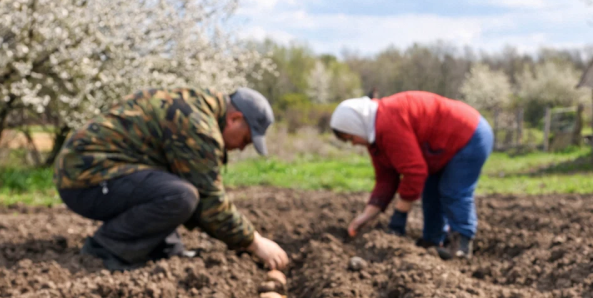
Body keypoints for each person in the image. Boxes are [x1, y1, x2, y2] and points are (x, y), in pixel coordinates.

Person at [53, 87, 289, 271]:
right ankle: (104, 250)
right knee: (181, 195)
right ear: (234, 119)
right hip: (84, 179)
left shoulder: (194, 105)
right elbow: (209, 201)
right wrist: (255, 242)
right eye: (246, 139)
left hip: (95, 173)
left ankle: (164, 249)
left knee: (177, 189)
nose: (240, 148)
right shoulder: (198, 126)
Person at [330, 91, 493, 259]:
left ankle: (462, 244)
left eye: (351, 137)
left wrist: (399, 216)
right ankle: (433, 242)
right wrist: (365, 217)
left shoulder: (387, 123)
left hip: (469, 135)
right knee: (431, 192)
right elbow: (386, 179)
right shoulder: (375, 139)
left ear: (357, 125)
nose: (354, 143)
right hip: (440, 148)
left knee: (453, 191)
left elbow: (414, 172)